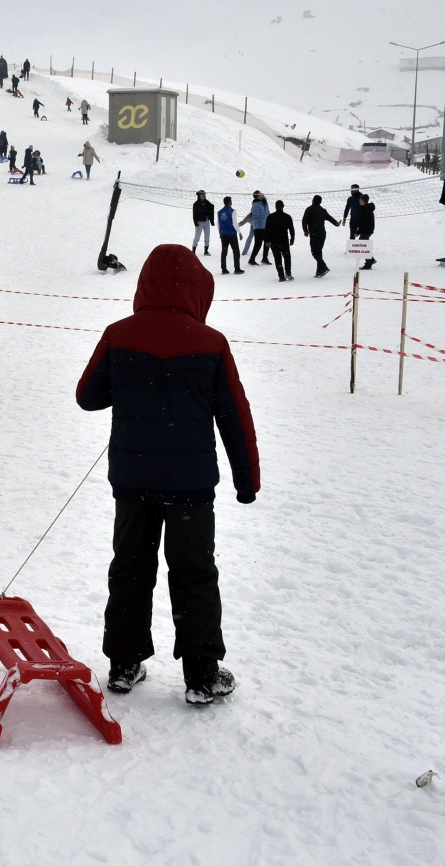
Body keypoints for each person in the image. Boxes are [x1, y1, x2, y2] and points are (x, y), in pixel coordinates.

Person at [76, 244, 258, 705]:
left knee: (131, 569)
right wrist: (246, 480)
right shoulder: (211, 342)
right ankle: (201, 674)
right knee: (195, 574)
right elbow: (235, 417)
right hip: (191, 487)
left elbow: (88, 396)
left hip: (133, 482)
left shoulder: (119, 334)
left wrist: (133, 383)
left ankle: (123, 664)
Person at [301, 195, 339, 277]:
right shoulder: (322, 210)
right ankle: (319, 271)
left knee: (314, 252)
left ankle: (323, 266)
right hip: (322, 234)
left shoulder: (309, 209)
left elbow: (304, 221)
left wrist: (305, 230)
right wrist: (336, 223)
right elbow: (330, 218)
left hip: (314, 234)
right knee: (319, 251)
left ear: (313, 200)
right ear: (320, 202)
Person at [264, 200, 295, 282]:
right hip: (284, 240)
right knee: (287, 256)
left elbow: (266, 230)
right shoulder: (287, 217)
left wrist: (267, 240)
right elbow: (291, 229)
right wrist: (292, 239)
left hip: (274, 241)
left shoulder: (270, 217)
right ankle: (288, 272)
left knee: (277, 258)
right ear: (283, 206)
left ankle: (281, 275)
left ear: (275, 206)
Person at [240, 192, 269, 265]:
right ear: (257, 197)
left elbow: (268, 214)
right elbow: (255, 218)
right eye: (260, 194)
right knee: (258, 244)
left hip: (265, 226)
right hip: (259, 228)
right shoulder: (256, 205)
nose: (262, 194)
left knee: (267, 242)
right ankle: (251, 259)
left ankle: (265, 258)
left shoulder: (265, 203)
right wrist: (256, 228)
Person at [217, 197, 244, 275]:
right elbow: (234, 223)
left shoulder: (219, 212)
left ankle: (224, 268)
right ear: (230, 202)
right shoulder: (232, 211)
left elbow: (218, 223)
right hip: (231, 234)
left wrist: (220, 233)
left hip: (223, 233)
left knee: (224, 251)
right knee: (236, 251)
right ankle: (237, 268)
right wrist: (239, 232)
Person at [353, 194, 376, 270]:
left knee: (363, 245)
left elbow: (364, 223)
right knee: (364, 245)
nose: (359, 201)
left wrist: (358, 232)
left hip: (366, 230)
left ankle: (369, 263)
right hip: (368, 230)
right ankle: (370, 260)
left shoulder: (366, 210)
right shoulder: (366, 209)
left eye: (360, 200)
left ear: (363, 200)